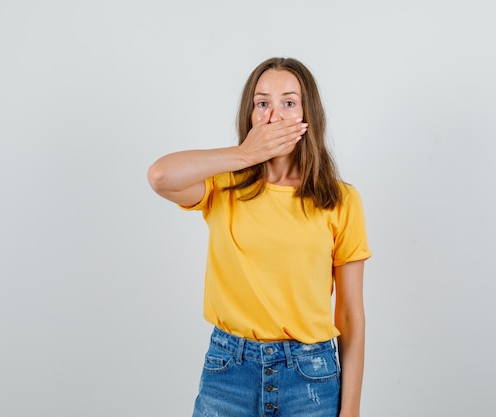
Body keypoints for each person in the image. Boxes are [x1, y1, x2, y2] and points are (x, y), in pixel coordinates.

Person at [147, 57, 372, 417]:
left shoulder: (340, 200)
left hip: (310, 377)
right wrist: (244, 154)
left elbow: (350, 314)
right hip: (229, 372)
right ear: (250, 115)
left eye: (288, 102)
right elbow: (160, 176)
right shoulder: (224, 185)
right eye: (262, 103)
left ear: (306, 114)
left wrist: (352, 410)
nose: (273, 115)